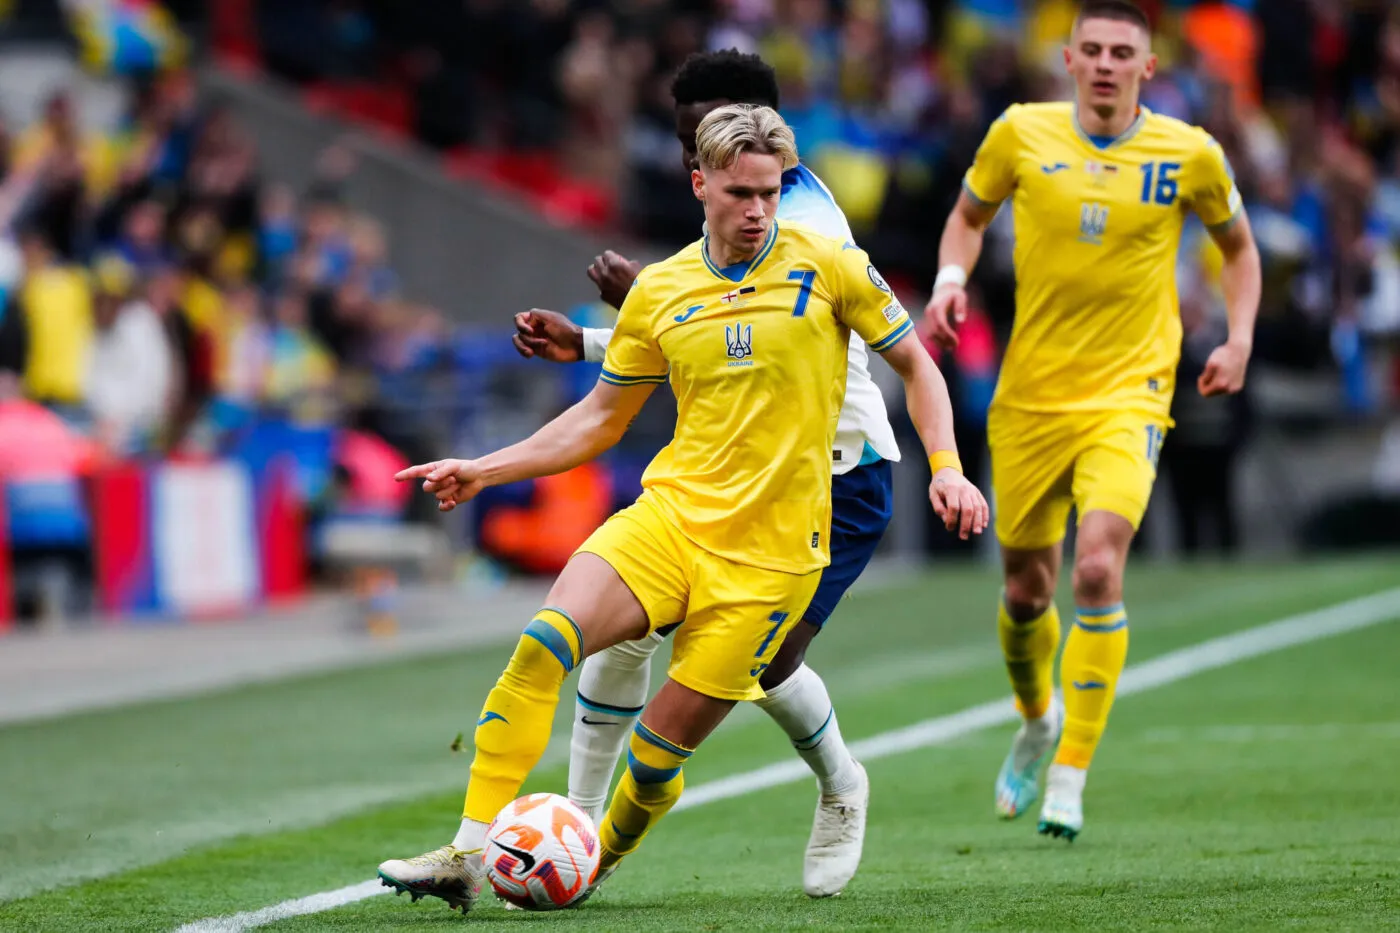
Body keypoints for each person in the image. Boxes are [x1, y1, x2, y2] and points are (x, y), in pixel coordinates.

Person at [379, 103, 988, 914]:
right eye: (739, 192)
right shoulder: (662, 288)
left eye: (770, 193)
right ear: (700, 183)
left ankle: (590, 861)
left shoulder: (832, 265)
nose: (757, 211)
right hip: (670, 519)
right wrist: (484, 469)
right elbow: (601, 416)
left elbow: (918, 366)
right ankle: (465, 849)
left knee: (656, 760)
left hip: (772, 558)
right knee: (542, 644)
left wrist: (947, 468)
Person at [511, 49, 904, 898]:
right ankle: (574, 826)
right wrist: (593, 340)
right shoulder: (722, 203)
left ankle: (842, 782)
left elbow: (767, 326)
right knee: (625, 625)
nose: (702, 140)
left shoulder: (800, 217)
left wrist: (633, 296)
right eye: (690, 128)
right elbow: (704, 329)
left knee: (765, 667)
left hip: (831, 473)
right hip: (730, 473)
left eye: (718, 120)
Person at [921, 0, 1261, 841]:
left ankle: (1071, 766)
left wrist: (1242, 336)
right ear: (1067, 59)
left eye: (1124, 53)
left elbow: (1240, 247)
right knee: (1025, 589)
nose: (1107, 64)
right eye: (1094, 50)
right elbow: (967, 218)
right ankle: (1037, 719)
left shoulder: (1191, 154)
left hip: (1131, 392)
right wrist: (948, 280)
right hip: (1030, 397)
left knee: (1099, 570)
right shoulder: (1018, 134)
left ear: (1149, 68)